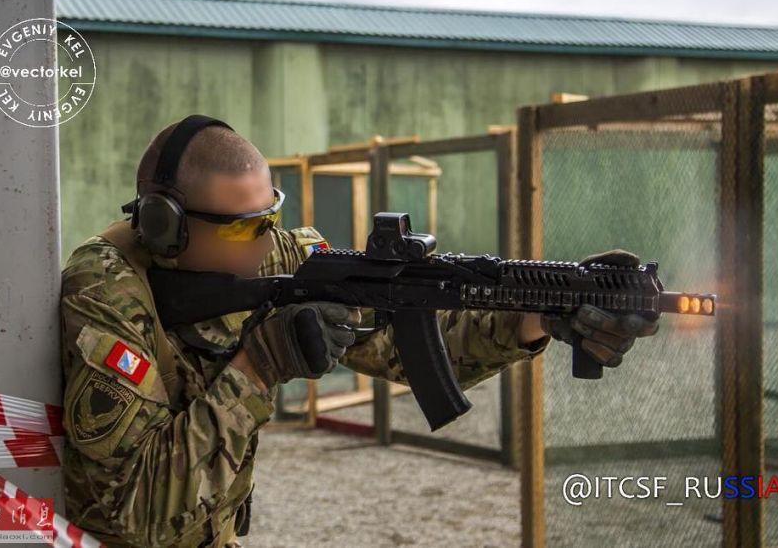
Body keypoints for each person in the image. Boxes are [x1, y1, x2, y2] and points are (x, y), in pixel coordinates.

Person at [60, 115, 659, 547]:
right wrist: (259, 368)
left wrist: (537, 315)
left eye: (272, 216)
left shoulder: (277, 254)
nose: (269, 240)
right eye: (245, 227)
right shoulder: (107, 290)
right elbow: (126, 513)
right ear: (168, 226)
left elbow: (408, 345)